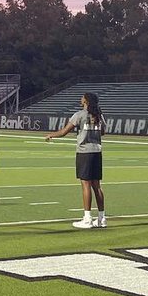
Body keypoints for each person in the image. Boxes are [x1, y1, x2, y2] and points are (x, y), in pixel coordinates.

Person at [44, 92, 107, 229]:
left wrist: (51, 135)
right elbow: (103, 132)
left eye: (82, 97)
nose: (81, 99)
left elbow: (64, 131)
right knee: (97, 186)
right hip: (97, 151)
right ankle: (102, 218)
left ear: (86, 101)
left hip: (84, 152)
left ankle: (87, 218)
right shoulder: (99, 115)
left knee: (85, 185)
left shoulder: (79, 115)